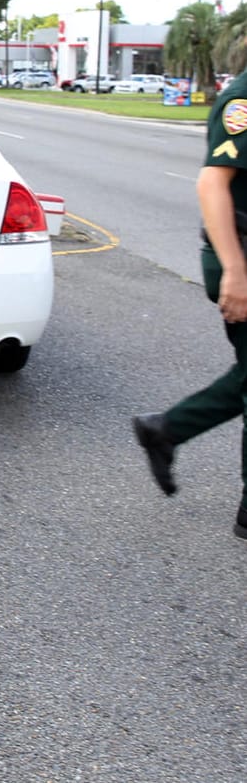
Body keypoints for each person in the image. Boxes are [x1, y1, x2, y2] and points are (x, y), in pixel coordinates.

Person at [134, 65, 247, 538]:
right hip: (240, 256)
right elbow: (211, 183)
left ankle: (167, 429)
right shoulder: (243, 98)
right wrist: (236, 272)